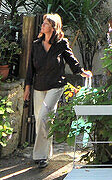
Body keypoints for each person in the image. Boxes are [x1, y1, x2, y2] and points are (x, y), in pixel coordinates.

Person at [24, 13, 90, 168]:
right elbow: (30, 69)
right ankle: (46, 153)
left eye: (46, 23)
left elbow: (71, 61)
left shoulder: (61, 44)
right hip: (39, 86)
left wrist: (82, 71)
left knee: (44, 117)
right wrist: (27, 87)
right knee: (42, 120)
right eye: (43, 23)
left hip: (56, 85)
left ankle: (40, 156)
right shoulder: (36, 44)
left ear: (53, 27)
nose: (42, 25)